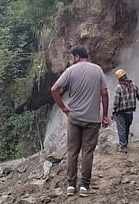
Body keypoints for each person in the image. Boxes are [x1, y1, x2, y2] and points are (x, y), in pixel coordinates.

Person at [51, 45, 109, 197]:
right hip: (92, 119)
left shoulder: (70, 71)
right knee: (88, 152)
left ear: (77, 57)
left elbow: (54, 89)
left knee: (72, 151)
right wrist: (105, 115)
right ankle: (84, 185)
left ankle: (71, 185)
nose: (71, 61)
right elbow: (104, 94)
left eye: (71, 57)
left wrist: (63, 107)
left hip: (74, 118)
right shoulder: (97, 70)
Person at [112, 69, 139, 153]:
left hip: (120, 112)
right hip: (130, 112)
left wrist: (113, 112)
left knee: (122, 129)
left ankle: (123, 146)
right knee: (127, 128)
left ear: (118, 78)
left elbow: (116, 102)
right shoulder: (133, 86)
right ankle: (125, 143)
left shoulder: (119, 88)